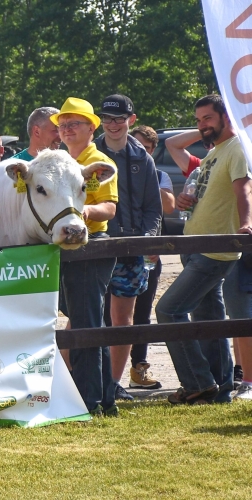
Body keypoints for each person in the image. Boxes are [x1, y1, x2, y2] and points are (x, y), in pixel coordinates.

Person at [155, 94, 252, 405]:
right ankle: (220, 390)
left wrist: (247, 225)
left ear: (226, 116)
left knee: (168, 310)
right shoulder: (215, 152)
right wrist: (187, 202)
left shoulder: (237, 148)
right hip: (196, 247)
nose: (202, 126)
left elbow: (244, 188)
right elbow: (208, 191)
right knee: (209, 323)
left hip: (215, 250)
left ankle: (198, 382)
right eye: (197, 121)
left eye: (207, 118)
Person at [52, 97, 119, 416]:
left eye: (73, 124)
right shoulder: (61, 163)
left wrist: (83, 211)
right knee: (84, 320)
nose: (66, 130)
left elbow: (110, 208)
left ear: (92, 128)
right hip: (66, 247)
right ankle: (102, 398)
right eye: (62, 125)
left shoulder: (99, 161)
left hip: (92, 245)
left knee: (86, 323)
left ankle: (88, 400)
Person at [94, 95, 162, 401]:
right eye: (107, 119)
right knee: (83, 317)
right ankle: (74, 382)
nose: (112, 125)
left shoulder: (142, 158)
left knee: (124, 320)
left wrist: (148, 239)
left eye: (118, 119)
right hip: (95, 245)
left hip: (132, 248)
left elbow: (153, 209)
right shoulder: (88, 152)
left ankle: (112, 384)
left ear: (131, 120)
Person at [122, 126, 176, 391]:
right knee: (113, 316)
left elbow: (168, 206)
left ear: (151, 151)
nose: (134, 153)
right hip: (121, 252)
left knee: (142, 313)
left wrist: (146, 174)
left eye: (141, 148)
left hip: (149, 255)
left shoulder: (159, 174)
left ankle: (138, 368)